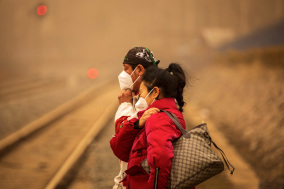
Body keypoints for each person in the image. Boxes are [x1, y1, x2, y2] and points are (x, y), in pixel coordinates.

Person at [110, 63, 195, 189]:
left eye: (142, 91)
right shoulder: (166, 114)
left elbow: (160, 159)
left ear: (155, 92)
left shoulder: (158, 118)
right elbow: (120, 149)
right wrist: (137, 124)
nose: (139, 96)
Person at [113, 47, 160, 189]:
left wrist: (124, 106)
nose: (123, 74)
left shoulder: (148, 100)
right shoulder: (143, 96)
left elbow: (121, 138)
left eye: (126, 69)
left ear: (139, 70)